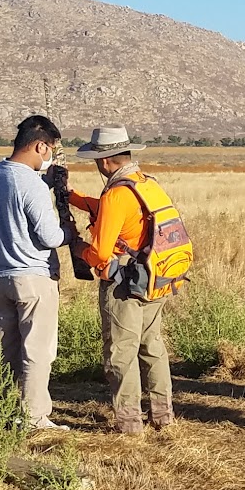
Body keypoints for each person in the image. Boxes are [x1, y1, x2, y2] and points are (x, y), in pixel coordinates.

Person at [66, 126, 183, 436]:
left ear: (104, 161)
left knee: (121, 351)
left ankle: (129, 423)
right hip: (156, 278)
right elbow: (116, 214)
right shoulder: (145, 184)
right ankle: (163, 414)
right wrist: (74, 198)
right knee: (152, 346)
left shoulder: (117, 194)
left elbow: (101, 252)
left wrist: (78, 248)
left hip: (125, 285)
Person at [0, 114, 88, 432]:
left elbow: (18, 196)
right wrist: (69, 232)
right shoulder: (32, 184)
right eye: (52, 150)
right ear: (41, 146)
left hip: (1, 275)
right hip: (33, 278)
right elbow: (49, 237)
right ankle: (34, 419)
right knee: (38, 351)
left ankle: (1, 409)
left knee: (7, 349)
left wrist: (47, 182)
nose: (51, 157)